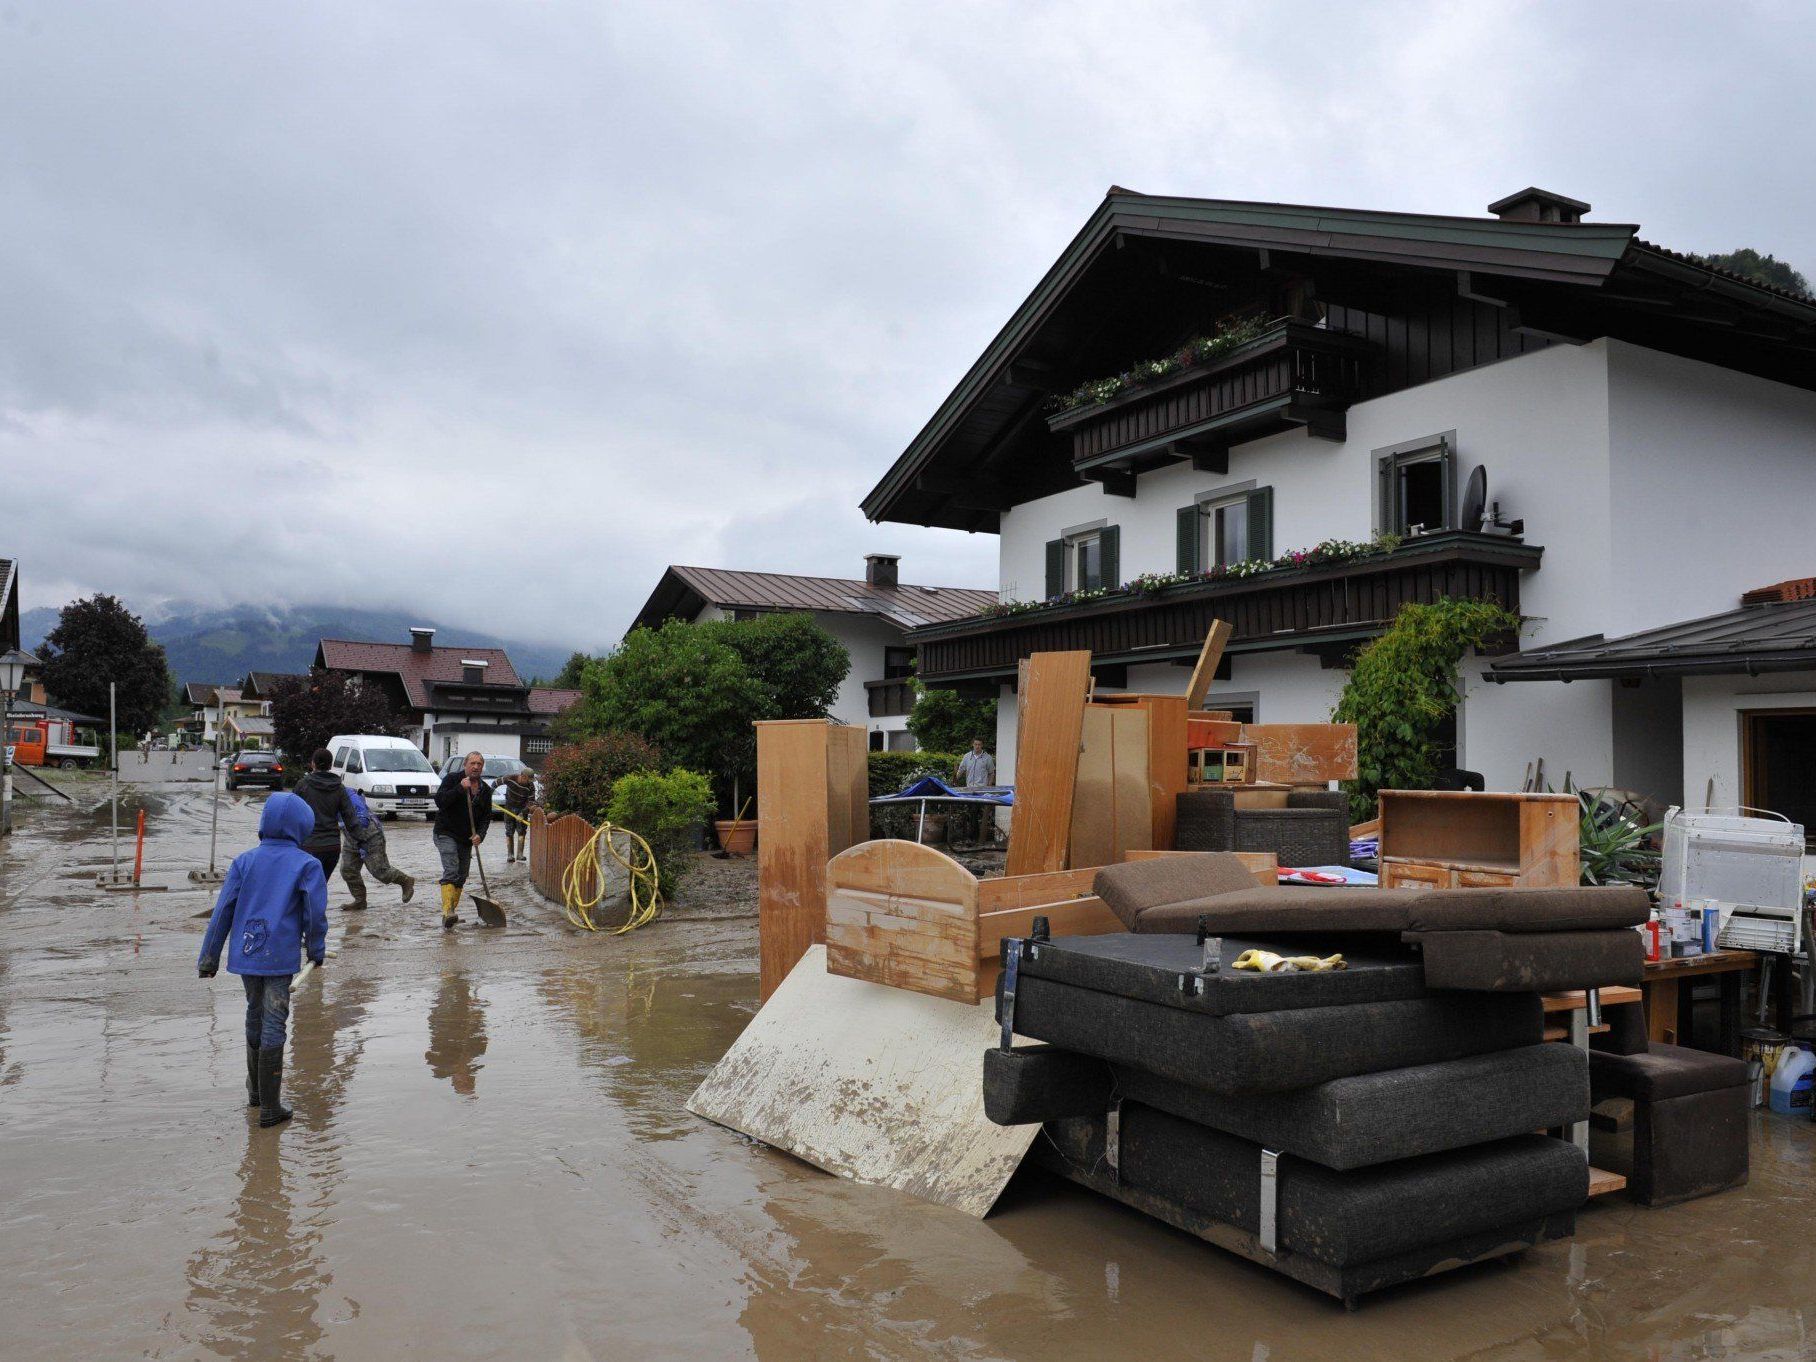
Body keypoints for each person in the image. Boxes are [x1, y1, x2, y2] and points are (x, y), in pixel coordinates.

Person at [196, 791, 328, 1128]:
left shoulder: (244, 861)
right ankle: (270, 1108)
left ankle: (256, 1093)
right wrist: (316, 950)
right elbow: (315, 914)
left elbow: (222, 910)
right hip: (280, 956)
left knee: (254, 1013)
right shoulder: (307, 865)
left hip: (248, 952)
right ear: (301, 827)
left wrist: (208, 958)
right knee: (274, 1021)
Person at [432, 751, 493, 929]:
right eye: (472, 763)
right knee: (451, 870)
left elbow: (486, 818)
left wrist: (480, 835)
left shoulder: (485, 790)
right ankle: (448, 912)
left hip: (466, 839)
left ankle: (450, 915)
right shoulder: (452, 779)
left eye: (479, 764)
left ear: (482, 767)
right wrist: (460, 788)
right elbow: (440, 802)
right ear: (465, 765)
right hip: (446, 833)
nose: (475, 767)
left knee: (461, 876)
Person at [339, 788, 416, 910]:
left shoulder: (347, 794)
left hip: (369, 834)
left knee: (380, 871)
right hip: (350, 836)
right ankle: (360, 901)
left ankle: (405, 881)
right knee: (348, 870)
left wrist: (361, 841)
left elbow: (362, 815)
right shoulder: (321, 796)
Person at [294, 748, 361, 879]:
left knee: (304, 889)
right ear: (331, 765)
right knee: (320, 886)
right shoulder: (340, 788)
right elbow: (351, 819)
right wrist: (363, 842)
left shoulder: (302, 785)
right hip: (332, 848)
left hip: (308, 847)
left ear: (313, 764)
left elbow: (290, 814)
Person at [954, 737, 997, 848]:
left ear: (982, 745)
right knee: (972, 812)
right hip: (969, 790)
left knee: (974, 811)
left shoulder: (987, 758)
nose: (977, 746)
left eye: (979, 744)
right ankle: (974, 838)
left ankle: (972, 838)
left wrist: (988, 786)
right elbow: (961, 770)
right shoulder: (967, 757)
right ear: (972, 745)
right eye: (975, 744)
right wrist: (956, 776)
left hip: (981, 791)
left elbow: (991, 773)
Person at [500, 769, 537, 863]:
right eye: (528, 779)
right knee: (509, 831)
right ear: (523, 776)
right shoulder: (510, 778)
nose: (530, 782)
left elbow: (531, 801)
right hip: (509, 808)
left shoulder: (530, 786)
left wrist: (523, 812)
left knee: (521, 831)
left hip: (522, 809)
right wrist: (489, 796)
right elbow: (495, 783)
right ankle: (510, 855)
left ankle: (520, 854)